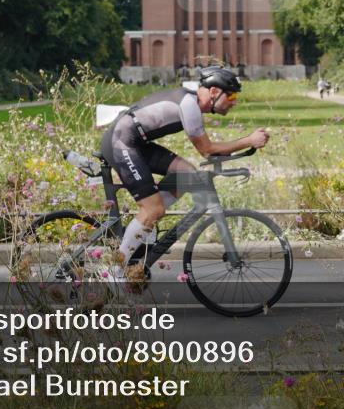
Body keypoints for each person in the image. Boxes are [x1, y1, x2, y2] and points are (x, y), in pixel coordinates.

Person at [101, 66, 268, 281]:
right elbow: (207, 150)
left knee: (187, 174)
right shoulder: (190, 105)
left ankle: (143, 228)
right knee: (154, 209)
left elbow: (208, 152)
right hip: (121, 141)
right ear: (214, 92)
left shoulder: (191, 102)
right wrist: (248, 140)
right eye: (231, 96)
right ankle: (114, 271)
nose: (234, 102)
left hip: (136, 142)